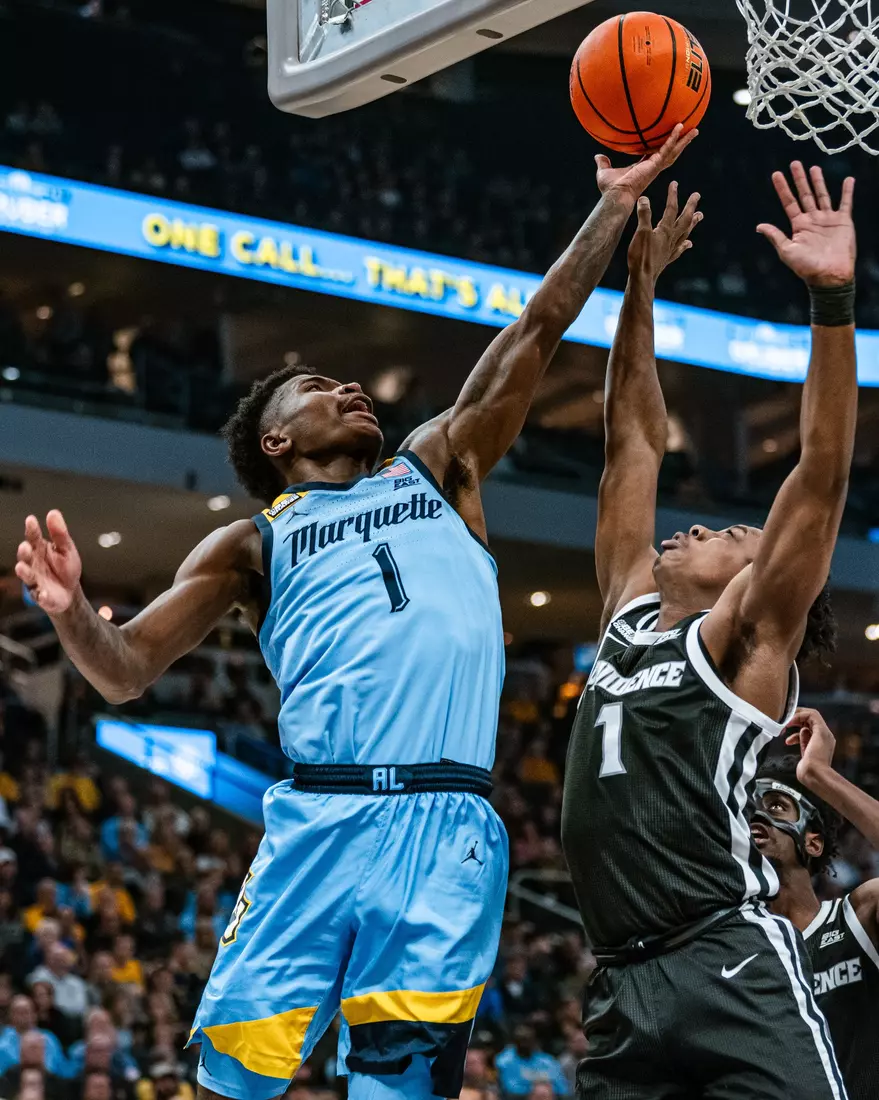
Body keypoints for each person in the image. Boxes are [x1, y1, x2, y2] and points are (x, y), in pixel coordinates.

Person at [15, 126, 696, 1100]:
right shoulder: (255, 540)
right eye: (317, 387)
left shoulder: (439, 462)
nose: (347, 384)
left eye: (347, 380)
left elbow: (536, 330)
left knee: (401, 1088)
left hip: (450, 820)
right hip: (321, 817)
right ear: (279, 436)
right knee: (229, 1084)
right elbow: (123, 668)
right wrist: (73, 606)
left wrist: (614, 203)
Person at [561, 162, 857, 1100]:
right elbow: (633, 440)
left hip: (721, 958)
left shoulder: (745, 640)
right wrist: (637, 288)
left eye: (727, 534)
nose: (690, 528)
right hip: (616, 977)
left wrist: (834, 301)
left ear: (760, 579)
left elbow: (820, 470)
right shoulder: (626, 606)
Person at [754, 707, 879, 1100]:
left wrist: (818, 776)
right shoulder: (733, 957)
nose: (755, 816)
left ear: (813, 842)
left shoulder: (858, 916)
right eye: (747, 811)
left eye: (775, 806)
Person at [494, 1026, 568, 1098]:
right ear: (514, 1042)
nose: (524, 1044)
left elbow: (562, 1089)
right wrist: (536, 1091)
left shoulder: (547, 1061)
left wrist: (545, 1091)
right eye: (521, 1040)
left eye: (528, 1040)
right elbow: (511, 1089)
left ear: (534, 1041)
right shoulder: (505, 1061)